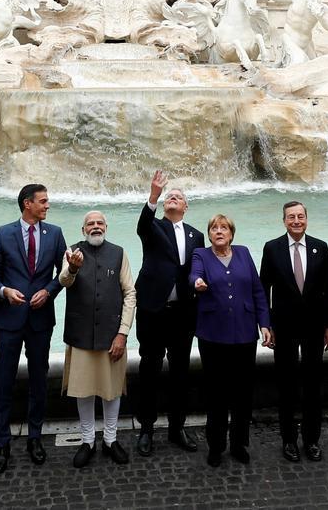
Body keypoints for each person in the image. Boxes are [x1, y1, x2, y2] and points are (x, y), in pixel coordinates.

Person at [0, 184, 67, 473]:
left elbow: (64, 273)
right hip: (9, 319)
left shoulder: (55, 233)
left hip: (40, 319)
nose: (47, 205)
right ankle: (2, 443)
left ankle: (35, 438)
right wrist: (5, 291)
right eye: (43, 201)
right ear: (27, 204)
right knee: (3, 382)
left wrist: (49, 291)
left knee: (38, 381)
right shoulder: (2, 233)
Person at [189, 215, 273, 467]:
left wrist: (265, 324)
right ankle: (216, 446)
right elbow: (193, 276)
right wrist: (198, 283)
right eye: (214, 228)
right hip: (213, 335)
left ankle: (239, 444)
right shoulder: (201, 255)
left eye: (223, 227)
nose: (218, 231)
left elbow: (258, 290)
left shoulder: (244, 253)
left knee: (242, 393)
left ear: (231, 233)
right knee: (216, 393)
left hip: (244, 333)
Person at [134, 171, 205, 457]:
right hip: (153, 310)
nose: (174, 198)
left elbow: (198, 269)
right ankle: (147, 429)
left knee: (180, 372)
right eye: (169, 197)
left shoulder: (196, 235)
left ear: (186, 207)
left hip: (183, 314)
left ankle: (177, 427)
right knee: (149, 369)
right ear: (164, 205)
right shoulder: (154, 227)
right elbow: (141, 225)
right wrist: (153, 194)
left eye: (179, 197)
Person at [59, 211, 136, 468]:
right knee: (83, 390)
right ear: (83, 229)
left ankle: (111, 439)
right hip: (81, 335)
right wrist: (72, 267)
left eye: (99, 223)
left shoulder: (119, 252)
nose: (95, 227)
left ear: (106, 227)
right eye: (90, 224)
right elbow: (64, 282)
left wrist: (123, 333)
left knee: (112, 390)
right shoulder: (72, 252)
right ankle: (87, 440)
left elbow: (130, 293)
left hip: (112, 336)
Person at [258, 201, 328, 463]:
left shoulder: (320, 247)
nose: (296, 221)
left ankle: (312, 440)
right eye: (291, 217)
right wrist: (265, 325)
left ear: (306, 219)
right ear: (284, 221)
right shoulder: (272, 248)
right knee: (287, 387)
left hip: (314, 328)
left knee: (313, 387)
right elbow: (263, 288)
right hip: (284, 329)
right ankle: (288, 440)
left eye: (300, 216)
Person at [256, 0, 328, 66]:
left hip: (307, 44)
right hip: (290, 39)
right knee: (299, 63)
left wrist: (320, 17)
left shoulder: (323, 9)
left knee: (315, 68)